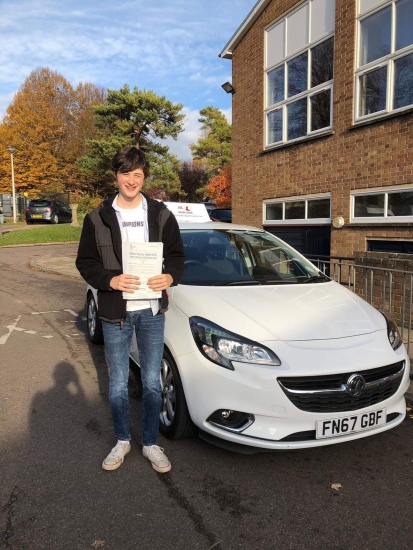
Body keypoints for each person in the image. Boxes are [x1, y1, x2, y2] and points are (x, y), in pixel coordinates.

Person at [76, 146, 185, 473]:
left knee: (152, 382)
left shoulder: (162, 214)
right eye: (126, 173)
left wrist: (170, 276)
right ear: (116, 175)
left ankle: (150, 443)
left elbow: (177, 257)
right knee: (119, 381)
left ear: (143, 177)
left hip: (152, 312)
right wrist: (110, 280)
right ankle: (122, 439)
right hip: (115, 313)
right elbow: (85, 262)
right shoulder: (97, 218)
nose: (132, 180)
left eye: (137, 174)